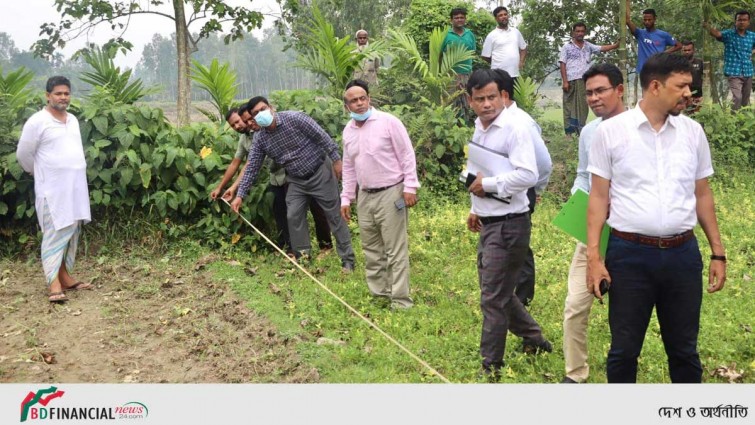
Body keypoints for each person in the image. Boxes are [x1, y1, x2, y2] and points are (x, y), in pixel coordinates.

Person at [586, 53, 727, 383]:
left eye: (689, 86)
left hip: (682, 255)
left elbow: (702, 194)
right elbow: (598, 197)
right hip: (629, 255)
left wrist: (717, 252)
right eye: (681, 86)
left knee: (684, 351)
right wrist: (594, 257)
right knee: (624, 351)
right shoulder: (611, 133)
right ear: (654, 86)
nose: (688, 94)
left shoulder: (693, 133)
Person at [465, 68, 552, 378]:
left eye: (492, 97)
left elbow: (528, 174)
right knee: (499, 292)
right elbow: (478, 171)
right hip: (489, 221)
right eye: (480, 99)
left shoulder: (515, 128)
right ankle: (534, 338)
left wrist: (487, 186)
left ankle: (491, 366)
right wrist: (477, 207)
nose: (487, 104)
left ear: (501, 95)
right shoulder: (479, 128)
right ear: (470, 101)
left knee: (493, 297)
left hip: (510, 223)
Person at [231, 97, 356, 272]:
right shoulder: (260, 139)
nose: (260, 115)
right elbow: (252, 167)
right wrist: (240, 195)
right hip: (296, 179)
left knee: (334, 215)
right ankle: (303, 258)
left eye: (263, 109)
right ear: (252, 118)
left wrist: (336, 161)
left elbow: (322, 137)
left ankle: (347, 260)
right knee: (294, 216)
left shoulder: (295, 118)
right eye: (255, 114)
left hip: (320, 171)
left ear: (271, 107)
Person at [561, 63, 626, 384]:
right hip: (594, 230)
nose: (594, 98)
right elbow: (583, 175)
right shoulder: (589, 132)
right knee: (575, 303)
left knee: (626, 310)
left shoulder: (637, 127)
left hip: (631, 232)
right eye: (588, 93)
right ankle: (575, 375)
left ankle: (623, 370)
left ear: (620, 90)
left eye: (601, 90)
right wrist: (577, 198)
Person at [339, 80, 420, 309]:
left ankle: (401, 300)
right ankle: (380, 296)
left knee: (395, 249)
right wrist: (346, 198)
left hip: (391, 192)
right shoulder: (349, 131)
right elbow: (348, 166)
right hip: (365, 195)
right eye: (353, 101)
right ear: (347, 106)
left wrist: (410, 187)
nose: (359, 103)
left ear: (369, 99)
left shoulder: (388, 122)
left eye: (362, 98)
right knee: (372, 248)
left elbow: (406, 154)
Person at [212, 108, 333, 256]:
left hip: (293, 174)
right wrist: (226, 188)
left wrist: (235, 188)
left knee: (315, 208)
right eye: (233, 125)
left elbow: (250, 165)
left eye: (239, 121)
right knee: (284, 213)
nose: (238, 126)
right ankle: (294, 250)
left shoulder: (266, 130)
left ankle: (325, 247)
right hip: (276, 178)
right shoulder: (246, 138)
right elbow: (242, 165)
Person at [16, 76, 93, 303]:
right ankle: (53, 283)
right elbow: (23, 154)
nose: (63, 97)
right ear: (47, 95)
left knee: (72, 232)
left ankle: (66, 277)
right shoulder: (37, 121)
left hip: (75, 189)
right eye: (58, 93)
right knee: (54, 233)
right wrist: (37, 172)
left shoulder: (73, 120)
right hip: (52, 191)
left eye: (66, 93)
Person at [558, 22, 618, 135]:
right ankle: (568, 133)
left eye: (582, 31)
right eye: (577, 31)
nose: (580, 33)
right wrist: (565, 81)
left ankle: (580, 130)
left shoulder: (588, 46)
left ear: (585, 32)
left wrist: (615, 45)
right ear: (573, 32)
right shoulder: (567, 47)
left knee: (583, 106)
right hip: (571, 80)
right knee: (568, 105)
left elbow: (601, 48)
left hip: (584, 80)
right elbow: (562, 63)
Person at [704, 11, 755, 110]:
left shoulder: (752, 36)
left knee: (745, 99)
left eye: (744, 20)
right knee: (737, 97)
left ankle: (742, 121)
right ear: (735, 21)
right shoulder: (729, 34)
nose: (742, 22)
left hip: (748, 71)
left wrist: (752, 52)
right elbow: (717, 34)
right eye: (739, 20)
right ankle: (734, 120)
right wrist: (707, 27)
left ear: (748, 22)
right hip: (733, 72)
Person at [626, 1, 681, 73]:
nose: (647, 22)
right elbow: (627, 20)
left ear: (654, 19)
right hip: (643, 71)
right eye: (645, 20)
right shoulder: (640, 33)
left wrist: (664, 53)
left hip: (658, 70)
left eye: (649, 20)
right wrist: (627, 2)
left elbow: (679, 45)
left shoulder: (663, 35)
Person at [441, 7, 477, 117]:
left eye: (462, 17)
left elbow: (473, 52)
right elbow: (439, 55)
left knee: (466, 102)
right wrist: (440, 73)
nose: (459, 20)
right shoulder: (446, 35)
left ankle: (464, 127)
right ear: (451, 20)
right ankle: (450, 127)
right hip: (450, 75)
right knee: (450, 103)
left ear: (465, 19)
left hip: (467, 73)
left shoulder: (470, 34)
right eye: (456, 18)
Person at [481, 7, 527, 85]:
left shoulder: (515, 32)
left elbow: (524, 48)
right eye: (500, 15)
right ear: (496, 18)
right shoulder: (492, 35)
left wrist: (521, 61)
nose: (504, 17)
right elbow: (485, 56)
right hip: (498, 75)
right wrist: (497, 62)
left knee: (514, 97)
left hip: (515, 74)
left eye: (505, 14)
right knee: (501, 96)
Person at [680, 40, 704, 113]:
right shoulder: (678, 63)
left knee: (698, 118)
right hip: (684, 97)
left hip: (698, 97)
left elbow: (706, 79)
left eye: (689, 50)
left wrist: (704, 96)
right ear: (682, 51)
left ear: (693, 50)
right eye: (685, 50)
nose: (687, 52)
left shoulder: (700, 62)